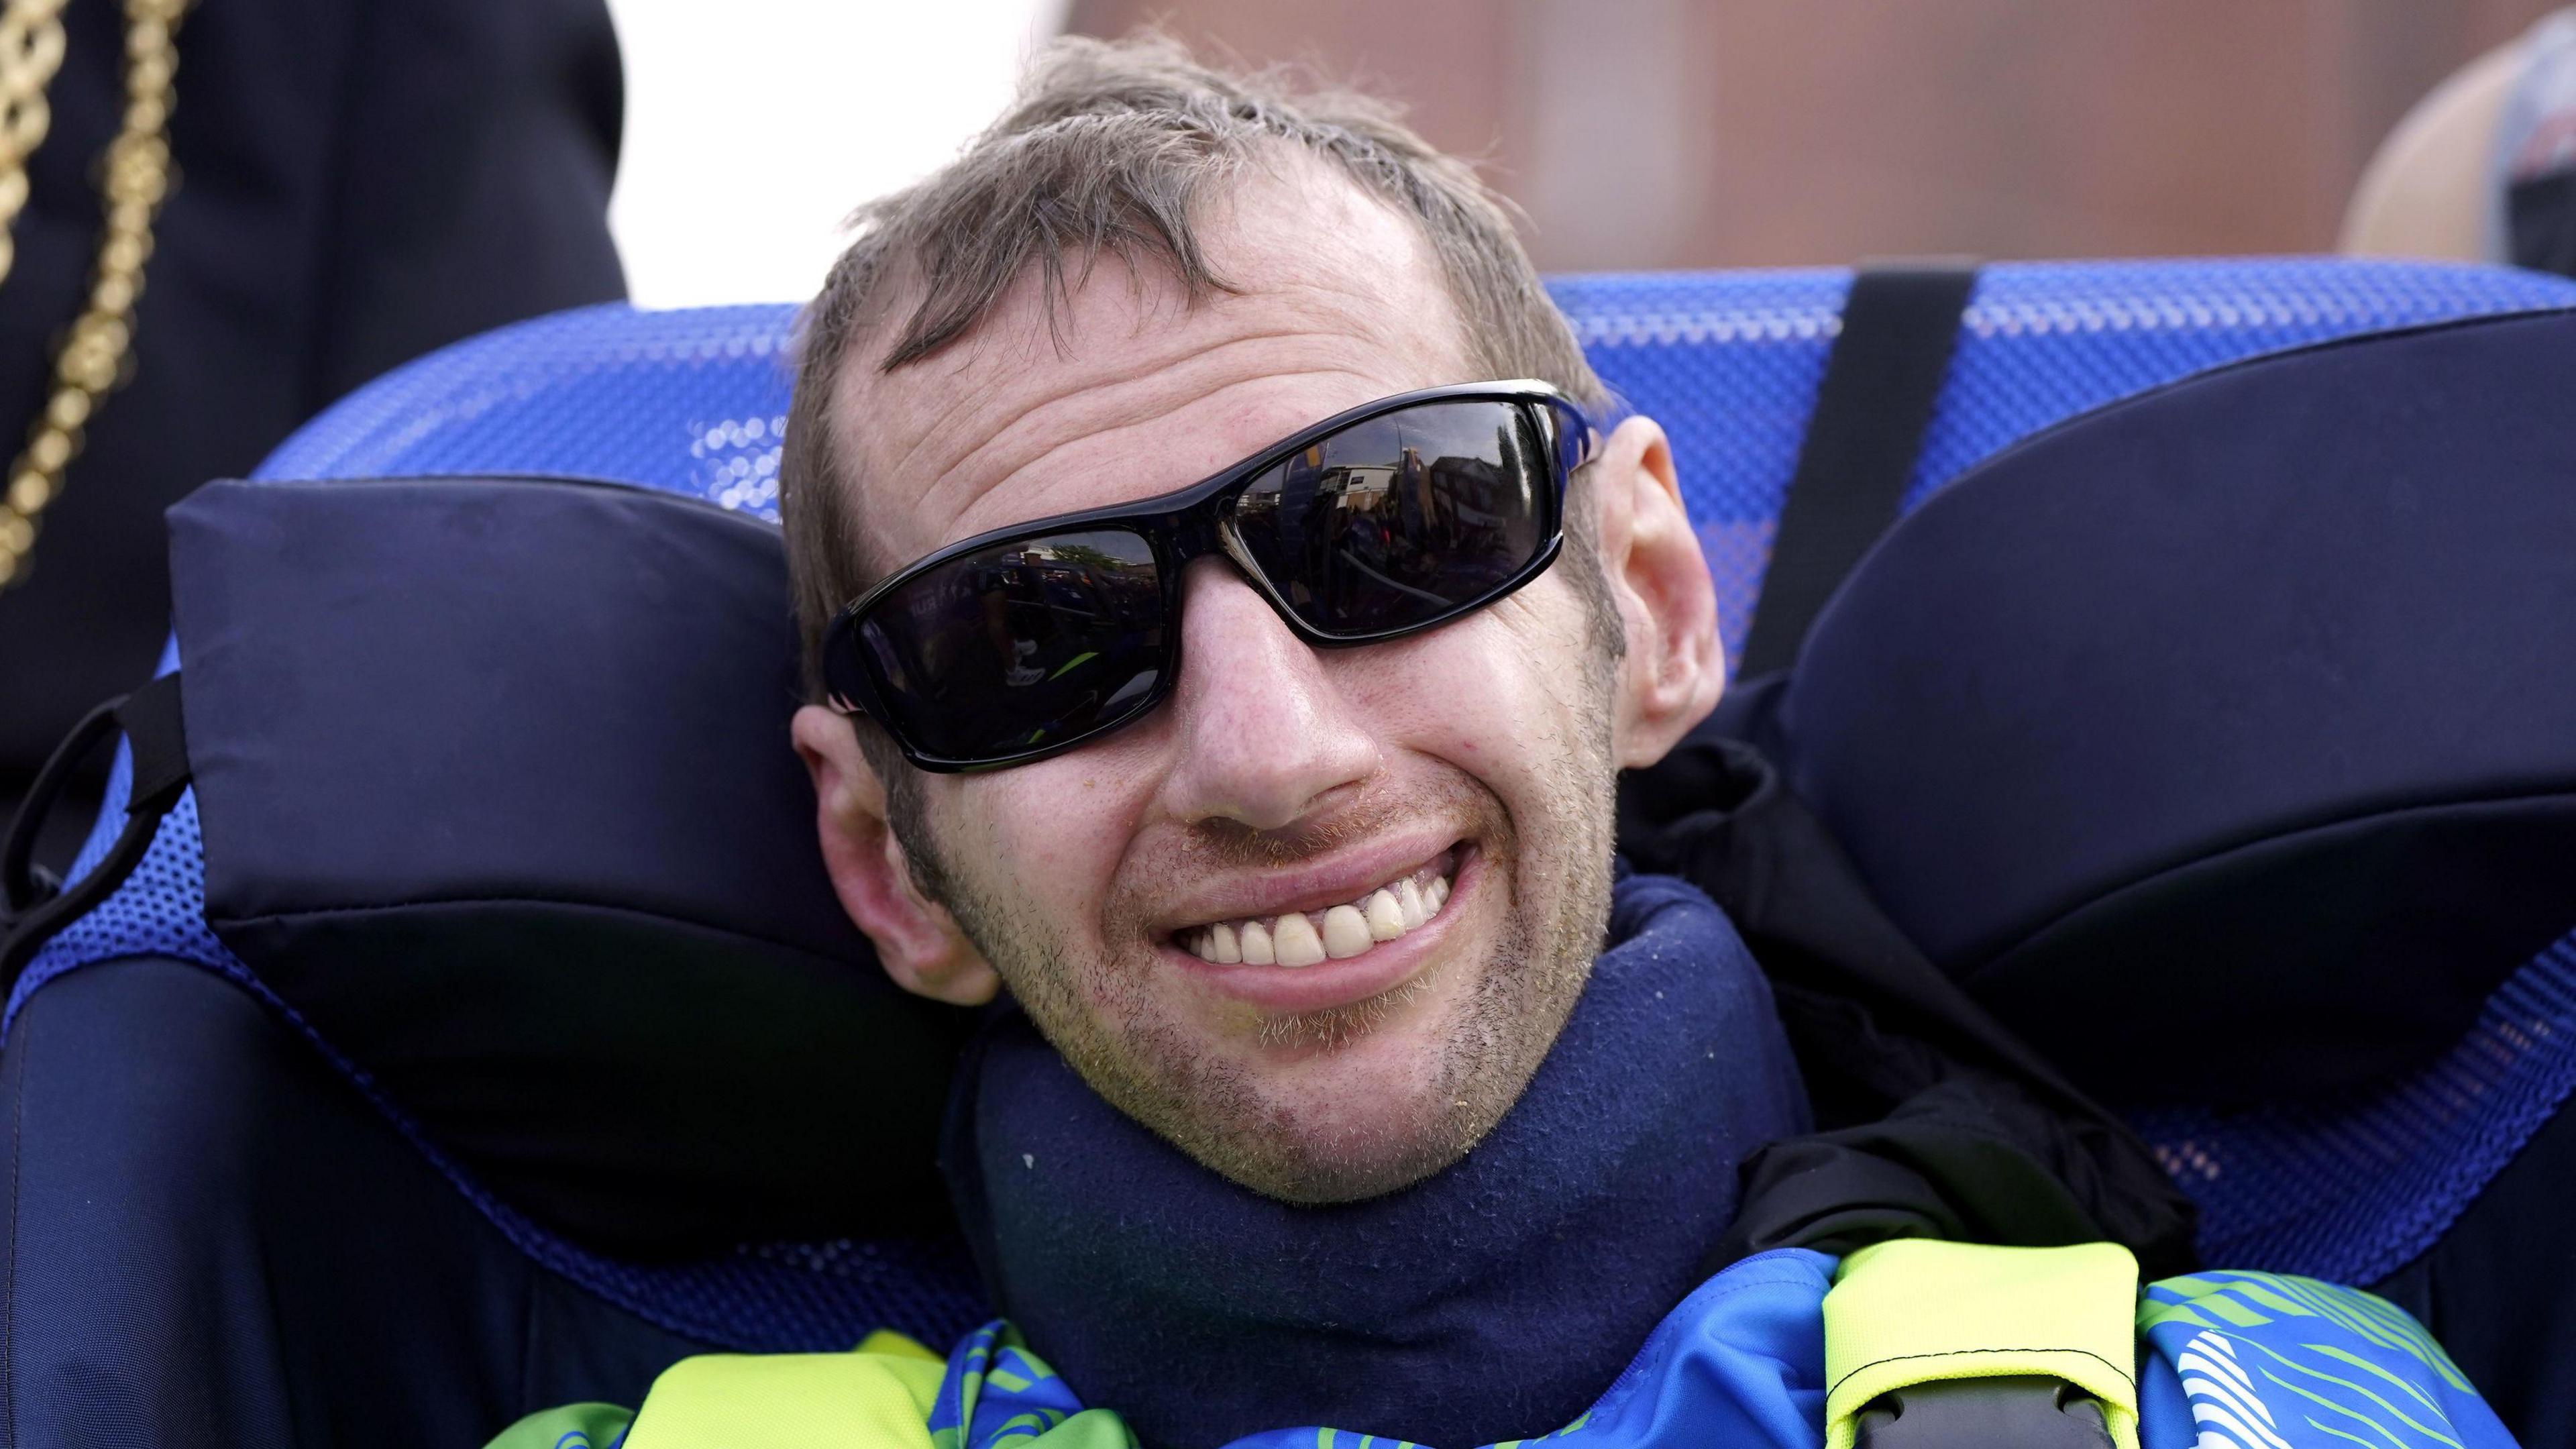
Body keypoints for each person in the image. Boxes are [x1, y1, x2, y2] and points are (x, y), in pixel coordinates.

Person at [488, 36, 2518, 1449]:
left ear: (1643, 606)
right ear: (883, 864)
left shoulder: (2231, 1416)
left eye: (1396, 530)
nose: (1267, 755)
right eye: (1035, 637)